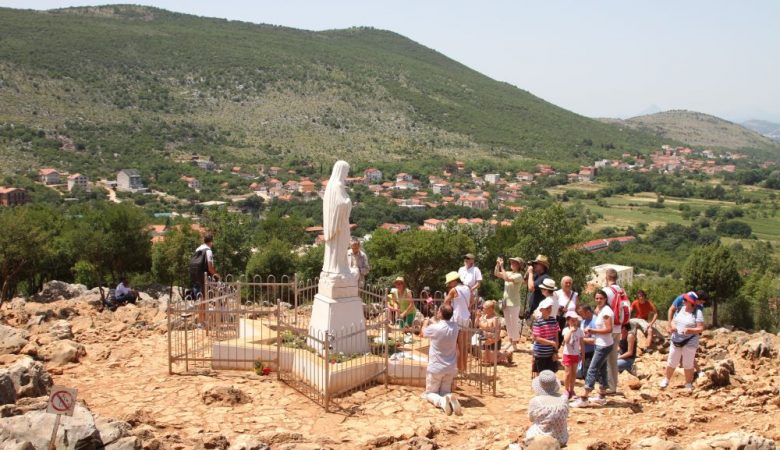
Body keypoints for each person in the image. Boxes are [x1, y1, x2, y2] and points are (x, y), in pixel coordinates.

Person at [571, 289, 613, 408]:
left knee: (592, 369)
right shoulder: (601, 310)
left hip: (603, 345)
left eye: (601, 298)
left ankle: (584, 397)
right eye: (597, 298)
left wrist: (592, 331)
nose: (599, 300)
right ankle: (602, 395)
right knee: (602, 369)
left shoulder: (606, 312)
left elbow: (609, 329)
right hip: (603, 343)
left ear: (605, 299)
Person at [421, 303, 462, 415]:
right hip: (450, 367)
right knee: (445, 391)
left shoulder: (434, 328)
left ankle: (440, 401)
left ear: (440, 313)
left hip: (436, 367)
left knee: (429, 393)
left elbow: (423, 333)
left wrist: (425, 322)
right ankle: (449, 397)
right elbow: (444, 326)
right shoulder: (455, 327)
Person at [659, 293, 705, 392]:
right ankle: (666, 380)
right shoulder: (680, 309)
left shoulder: (698, 312)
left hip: (690, 341)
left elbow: (701, 328)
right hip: (676, 340)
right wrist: (672, 326)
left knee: (688, 363)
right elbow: (673, 320)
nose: (683, 300)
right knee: (672, 360)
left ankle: (688, 384)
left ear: (691, 302)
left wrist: (690, 330)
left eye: (685, 299)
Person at [525, 370, 569, 446]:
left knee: (531, 429)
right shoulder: (564, 399)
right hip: (560, 439)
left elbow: (531, 418)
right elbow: (566, 415)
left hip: (541, 439)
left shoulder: (536, 401)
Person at [494, 256, 525, 352]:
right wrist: (498, 264)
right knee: (508, 322)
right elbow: (496, 273)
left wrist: (502, 267)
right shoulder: (508, 272)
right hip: (506, 302)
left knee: (513, 323)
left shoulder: (519, 276)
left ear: (519, 266)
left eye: (515, 263)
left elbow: (507, 278)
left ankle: (514, 343)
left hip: (514, 303)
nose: (512, 264)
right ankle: (510, 340)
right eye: (512, 262)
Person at [444, 271, 472, 372]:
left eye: (449, 282)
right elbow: (472, 301)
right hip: (466, 317)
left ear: (454, 281)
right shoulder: (468, 288)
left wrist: (451, 307)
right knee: (463, 345)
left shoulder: (454, 290)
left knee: (457, 346)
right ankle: (463, 368)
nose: (448, 285)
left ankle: (459, 369)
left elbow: (445, 302)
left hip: (456, 318)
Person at [602, 268, 624, 394]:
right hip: (618, 326)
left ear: (607, 277)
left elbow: (600, 308)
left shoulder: (606, 291)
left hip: (608, 327)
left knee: (605, 357)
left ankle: (607, 386)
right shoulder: (621, 290)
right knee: (613, 358)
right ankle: (613, 385)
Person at [477, 300, 512, 365]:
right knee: (484, 360)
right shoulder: (483, 316)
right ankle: (499, 353)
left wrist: (491, 340)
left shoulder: (495, 319)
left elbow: (497, 334)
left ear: (490, 309)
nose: (483, 308)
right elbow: (476, 325)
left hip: (493, 341)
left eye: (485, 307)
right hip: (485, 340)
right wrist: (477, 317)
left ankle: (506, 354)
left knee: (491, 362)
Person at [532, 296, 559, 375]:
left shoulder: (554, 320)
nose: (549, 310)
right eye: (547, 308)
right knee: (541, 376)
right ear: (541, 310)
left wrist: (555, 351)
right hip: (540, 354)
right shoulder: (537, 322)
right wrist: (551, 343)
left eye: (550, 308)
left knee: (550, 376)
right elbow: (537, 338)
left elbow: (556, 336)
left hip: (550, 354)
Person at [561, 311, 584, 399]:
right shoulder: (566, 330)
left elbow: (582, 344)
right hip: (567, 354)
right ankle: (566, 390)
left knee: (574, 373)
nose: (574, 322)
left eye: (575, 320)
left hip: (575, 354)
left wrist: (583, 354)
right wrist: (570, 331)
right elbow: (566, 341)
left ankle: (572, 389)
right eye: (572, 320)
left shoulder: (580, 331)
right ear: (568, 321)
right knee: (567, 373)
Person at [191, 233, 219, 299]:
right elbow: (210, 267)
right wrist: (217, 275)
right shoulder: (208, 251)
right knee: (204, 299)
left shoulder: (197, 249)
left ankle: (201, 308)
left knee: (200, 298)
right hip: (204, 277)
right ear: (211, 242)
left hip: (195, 276)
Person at [553, 276, 578, 343]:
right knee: (557, 338)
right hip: (559, 319)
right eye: (566, 283)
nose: (568, 284)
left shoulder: (575, 295)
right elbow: (552, 306)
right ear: (562, 283)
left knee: (568, 341)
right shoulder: (557, 293)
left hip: (571, 321)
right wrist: (559, 309)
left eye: (570, 283)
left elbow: (577, 308)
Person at [526, 255, 551, 319]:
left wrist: (531, 272)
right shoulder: (537, 276)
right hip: (533, 310)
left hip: (540, 311)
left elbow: (531, 288)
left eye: (536, 263)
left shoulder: (545, 277)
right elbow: (525, 281)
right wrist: (528, 271)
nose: (534, 265)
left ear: (542, 265)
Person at [576, 304, 596, 380]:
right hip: (583, 352)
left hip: (592, 352)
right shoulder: (583, 322)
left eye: (581, 313)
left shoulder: (595, 322)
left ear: (587, 312)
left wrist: (580, 339)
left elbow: (594, 341)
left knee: (588, 375)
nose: (580, 316)